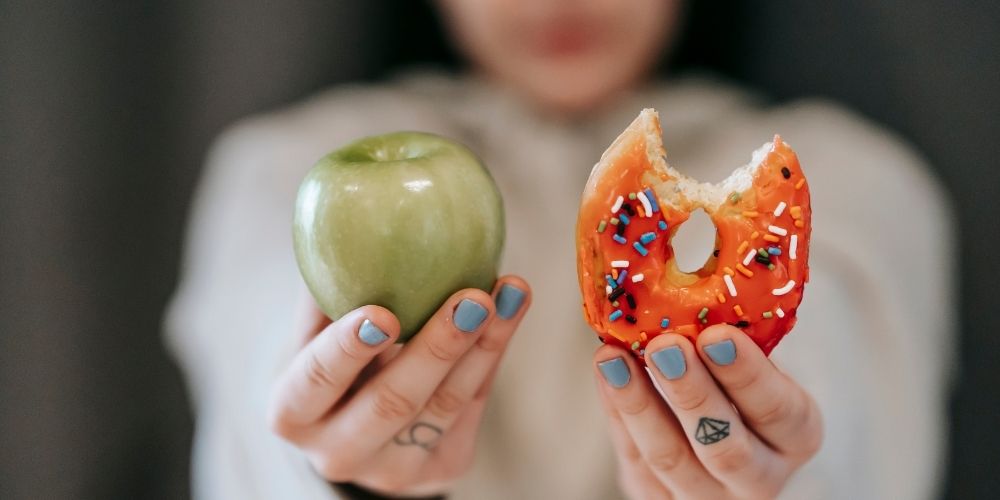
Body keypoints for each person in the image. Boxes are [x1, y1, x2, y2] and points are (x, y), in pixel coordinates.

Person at [165, 0, 955, 498]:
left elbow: (842, 392)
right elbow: (258, 365)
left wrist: (775, 473)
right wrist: (336, 468)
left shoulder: (857, 175)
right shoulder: (277, 165)